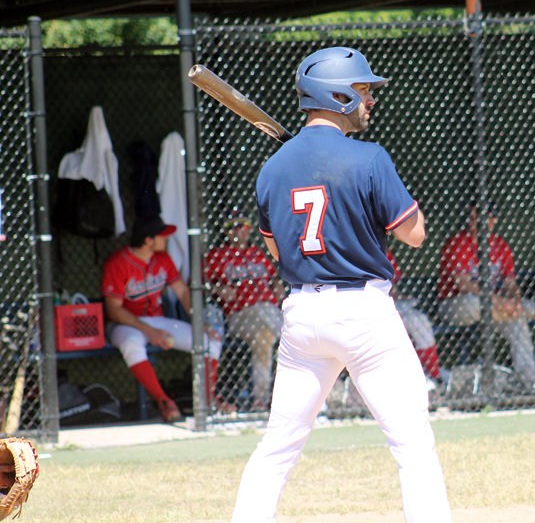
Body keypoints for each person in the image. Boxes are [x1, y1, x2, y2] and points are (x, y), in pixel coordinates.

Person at [231, 46, 451, 523]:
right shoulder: (369, 158)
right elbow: (415, 235)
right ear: (338, 95)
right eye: (363, 90)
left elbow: (278, 251)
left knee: (278, 448)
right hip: (363, 314)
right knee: (412, 444)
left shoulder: (273, 169)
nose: (370, 100)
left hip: (303, 317)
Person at [101, 214, 225, 423]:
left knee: (210, 341)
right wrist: (150, 332)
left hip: (157, 320)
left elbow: (183, 292)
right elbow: (114, 310)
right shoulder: (117, 263)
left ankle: (207, 401)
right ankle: (164, 401)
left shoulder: (163, 259)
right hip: (125, 324)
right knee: (132, 343)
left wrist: (200, 324)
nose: (166, 239)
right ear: (148, 240)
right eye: (162, 236)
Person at [437, 202, 535, 392]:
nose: (474, 222)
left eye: (481, 218)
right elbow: (464, 285)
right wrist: (502, 303)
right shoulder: (458, 243)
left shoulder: (500, 246)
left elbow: (510, 283)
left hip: (493, 309)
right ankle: (533, 312)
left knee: (518, 320)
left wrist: (514, 301)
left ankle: (529, 380)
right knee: (475, 303)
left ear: (493, 220)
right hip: (456, 305)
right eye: (472, 218)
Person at [205, 208, 285, 411]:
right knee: (291, 332)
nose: (238, 230)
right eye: (232, 226)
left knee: (264, 337)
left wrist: (277, 286)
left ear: (249, 228)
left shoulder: (258, 253)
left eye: (243, 225)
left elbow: (274, 279)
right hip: (240, 315)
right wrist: (217, 288)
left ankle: (260, 400)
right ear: (226, 231)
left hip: (268, 314)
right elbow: (198, 284)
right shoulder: (217, 256)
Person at [386, 248, 444, 386]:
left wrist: (402, 297)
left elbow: (391, 288)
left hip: (388, 304)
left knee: (419, 320)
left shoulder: (380, 247)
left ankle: (434, 374)